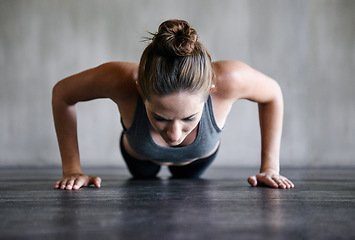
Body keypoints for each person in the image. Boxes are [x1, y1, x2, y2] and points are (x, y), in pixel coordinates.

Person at [52, 19, 294, 190]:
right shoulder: (121, 80)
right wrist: (72, 169)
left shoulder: (229, 80)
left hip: (197, 161)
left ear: (211, 91)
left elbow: (272, 94)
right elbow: (63, 94)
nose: (174, 134)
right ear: (140, 89)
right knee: (144, 177)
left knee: (187, 179)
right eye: (161, 117)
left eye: (189, 118)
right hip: (140, 159)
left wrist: (270, 168)